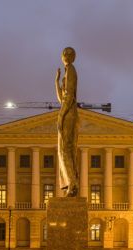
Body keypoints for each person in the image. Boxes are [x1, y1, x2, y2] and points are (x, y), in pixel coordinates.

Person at [55, 47, 79, 197]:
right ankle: (71, 183)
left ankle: (72, 183)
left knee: (65, 150)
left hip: (69, 112)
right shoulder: (67, 72)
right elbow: (61, 98)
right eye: (65, 54)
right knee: (64, 149)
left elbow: (69, 97)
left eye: (67, 54)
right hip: (67, 111)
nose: (65, 57)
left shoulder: (71, 69)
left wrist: (61, 116)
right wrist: (56, 81)